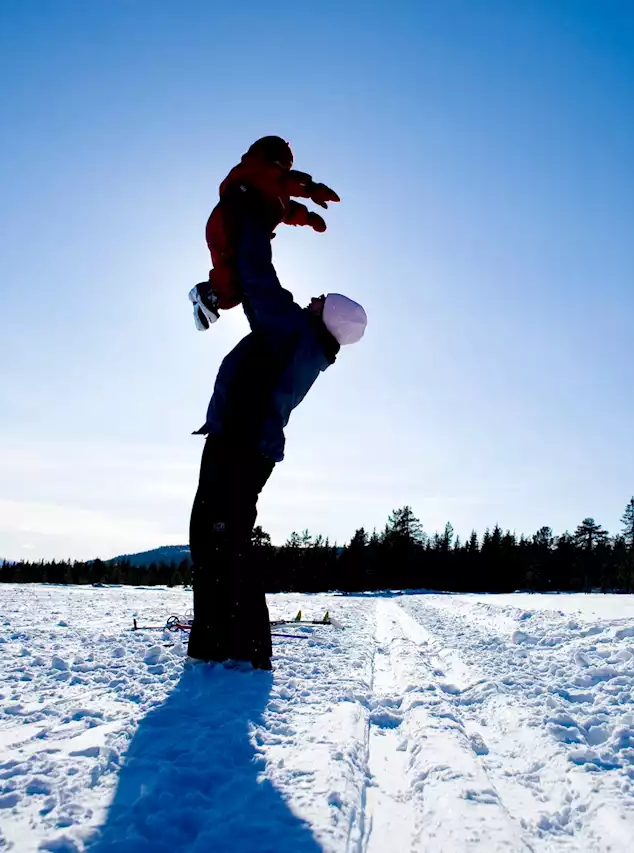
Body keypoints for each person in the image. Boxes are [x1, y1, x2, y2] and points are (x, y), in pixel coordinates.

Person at [186, 198, 366, 668]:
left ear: (329, 317)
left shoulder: (294, 330)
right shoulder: (309, 344)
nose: (313, 300)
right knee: (218, 540)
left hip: (239, 443)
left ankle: (238, 651)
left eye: (321, 301)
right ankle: (222, 646)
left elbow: (258, 278)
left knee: (220, 542)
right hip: (245, 443)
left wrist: (255, 219)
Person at [189, 135, 340, 331]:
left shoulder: (277, 195)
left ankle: (208, 301)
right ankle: (207, 293)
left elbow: (289, 211)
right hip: (229, 222)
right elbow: (286, 182)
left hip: (243, 231)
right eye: (282, 162)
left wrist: (309, 218)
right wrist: (312, 189)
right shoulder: (258, 172)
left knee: (239, 284)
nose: (283, 167)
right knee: (232, 269)